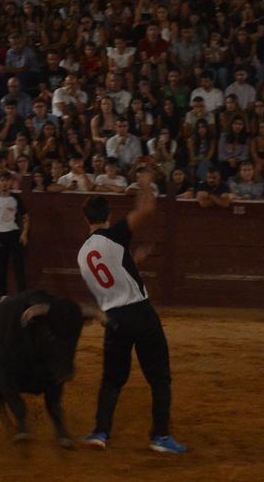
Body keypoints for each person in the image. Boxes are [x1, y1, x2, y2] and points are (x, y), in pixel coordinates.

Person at [78, 168, 186, 455]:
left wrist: (132, 261)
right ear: (108, 215)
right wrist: (145, 183)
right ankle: (160, 436)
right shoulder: (115, 236)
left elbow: (109, 279)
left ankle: (100, 432)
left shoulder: (83, 254)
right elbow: (146, 209)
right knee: (159, 378)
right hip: (140, 313)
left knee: (112, 380)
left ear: (86, 219)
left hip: (112, 318)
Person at [0, 171, 30, 300]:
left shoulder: (16, 199)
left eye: (7, 180)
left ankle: (23, 296)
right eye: (2, 180)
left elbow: (26, 217)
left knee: (19, 266)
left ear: (11, 182)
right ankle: (3, 295)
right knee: (1, 266)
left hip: (14, 234)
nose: (4, 183)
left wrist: (24, 234)